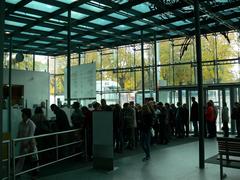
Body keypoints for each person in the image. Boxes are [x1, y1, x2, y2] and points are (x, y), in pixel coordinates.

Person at [16, 108, 38, 179]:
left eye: (24, 114)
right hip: (24, 144)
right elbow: (19, 133)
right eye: (22, 114)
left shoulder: (32, 124)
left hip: (31, 144)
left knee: (34, 158)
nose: (22, 115)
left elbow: (31, 135)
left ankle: (35, 173)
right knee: (21, 159)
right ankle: (17, 172)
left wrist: (26, 144)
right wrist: (16, 141)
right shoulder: (20, 123)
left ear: (27, 115)